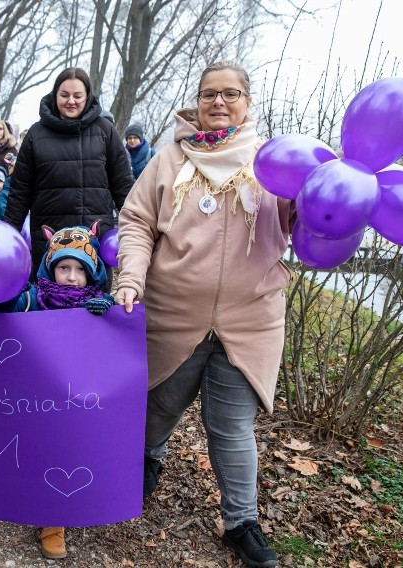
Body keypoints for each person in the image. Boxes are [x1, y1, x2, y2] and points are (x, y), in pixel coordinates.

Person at [113, 61, 295, 568]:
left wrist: (314, 208)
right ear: (197, 101)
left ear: (248, 101)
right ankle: (146, 464)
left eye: (230, 93)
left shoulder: (273, 161)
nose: (219, 102)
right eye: (209, 93)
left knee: (231, 427)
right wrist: (129, 279)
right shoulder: (169, 158)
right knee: (159, 405)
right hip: (172, 313)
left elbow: (305, 226)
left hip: (251, 318)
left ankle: (242, 522)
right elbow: (136, 221)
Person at [0, 221, 113, 559]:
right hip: (33, 397)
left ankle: (54, 520)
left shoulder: (98, 304)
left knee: (64, 456)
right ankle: (27, 498)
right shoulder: (33, 298)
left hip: (75, 401)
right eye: (63, 267)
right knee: (32, 450)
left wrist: (107, 314)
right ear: (49, 269)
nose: (71, 276)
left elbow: (116, 348)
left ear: (92, 273)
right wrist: (1, 288)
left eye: (79, 269)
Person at [3, 67, 134, 281]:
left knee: (94, 310)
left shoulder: (106, 132)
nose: (70, 101)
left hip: (93, 243)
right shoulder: (36, 134)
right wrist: (7, 235)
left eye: (77, 96)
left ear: (87, 96)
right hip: (48, 242)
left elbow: (123, 187)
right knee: (48, 308)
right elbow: (20, 192)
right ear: (55, 96)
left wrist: (139, 230)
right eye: (64, 95)